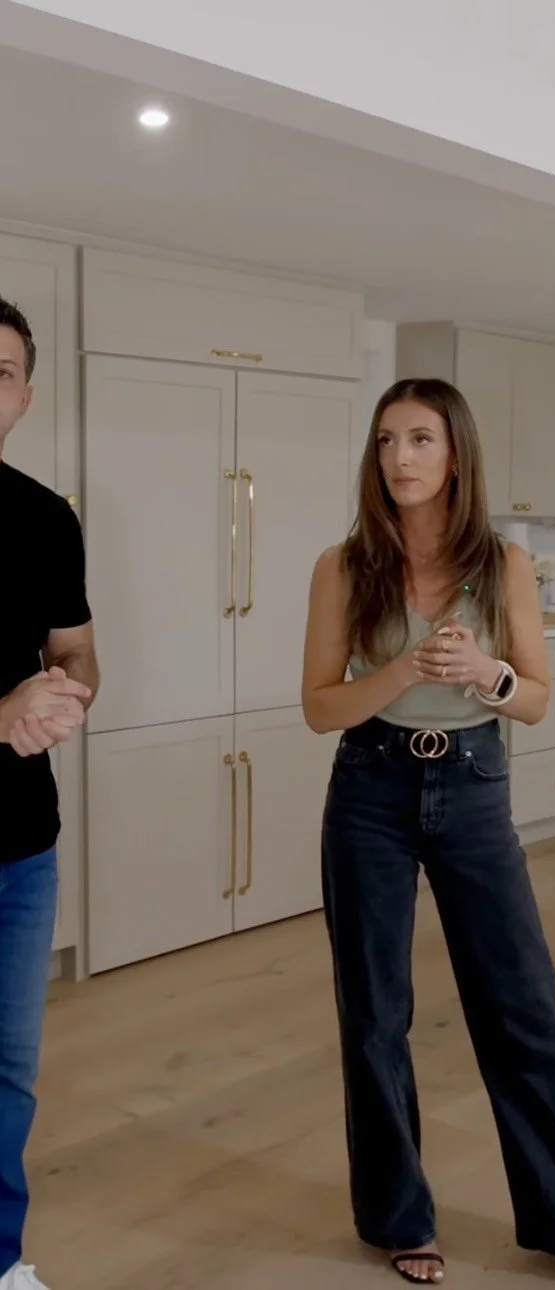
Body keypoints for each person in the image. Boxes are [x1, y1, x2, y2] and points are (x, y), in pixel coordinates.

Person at [301, 378, 555, 1289]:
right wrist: (406, 669)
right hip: (369, 786)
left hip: (475, 785)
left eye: (420, 439)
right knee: (375, 1015)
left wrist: (487, 673)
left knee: (522, 1005)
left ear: (456, 455)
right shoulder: (344, 566)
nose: (399, 458)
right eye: (385, 441)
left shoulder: (503, 563)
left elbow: (534, 699)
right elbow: (320, 707)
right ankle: (400, 1218)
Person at [0, 297, 99, 1290]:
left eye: (1, 371)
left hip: (22, 847)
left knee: (8, 1072)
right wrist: (0, 714)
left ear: (25, 396)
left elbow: (74, 649)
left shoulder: (44, 519)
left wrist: (65, 696)